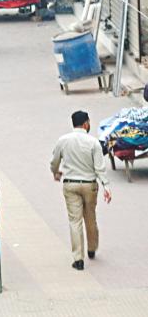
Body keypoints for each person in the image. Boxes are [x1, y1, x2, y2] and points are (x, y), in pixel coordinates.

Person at [50, 111, 112, 271]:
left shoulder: (63, 141)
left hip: (70, 185)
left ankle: (78, 259)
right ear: (86, 124)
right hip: (90, 185)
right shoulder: (93, 143)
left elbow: (54, 161)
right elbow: (100, 167)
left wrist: (56, 173)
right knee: (90, 216)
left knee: (74, 221)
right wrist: (106, 186)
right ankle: (92, 248)